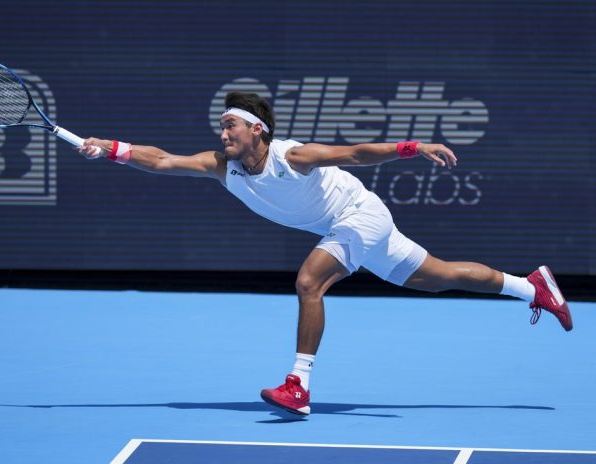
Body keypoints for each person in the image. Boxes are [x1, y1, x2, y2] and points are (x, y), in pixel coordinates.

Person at [78, 91, 573, 416]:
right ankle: (531, 287)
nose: (222, 134)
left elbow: (354, 153)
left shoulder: (293, 156)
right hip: (348, 226)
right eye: (221, 127)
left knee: (309, 281)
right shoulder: (221, 166)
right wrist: (111, 148)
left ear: (257, 130)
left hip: (359, 214)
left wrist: (412, 147)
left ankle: (298, 385)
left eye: (231, 126)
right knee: (437, 276)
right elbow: (163, 160)